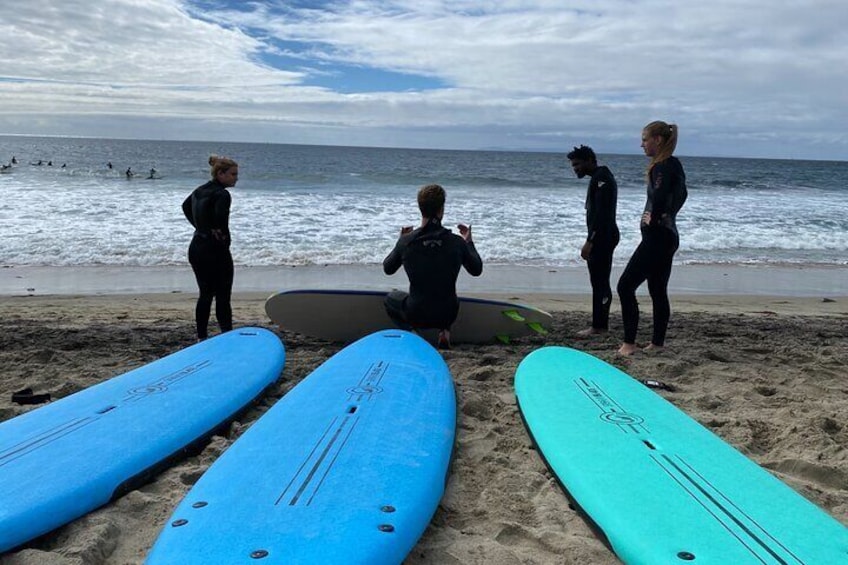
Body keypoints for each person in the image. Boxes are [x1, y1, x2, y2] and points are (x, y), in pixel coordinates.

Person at [616, 121, 688, 355]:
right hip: (669, 235)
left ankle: (629, 344)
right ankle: (657, 343)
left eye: (645, 139)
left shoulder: (663, 165)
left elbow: (660, 193)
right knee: (657, 290)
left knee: (625, 286)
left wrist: (654, 215)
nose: (642, 144)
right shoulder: (674, 165)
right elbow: (682, 195)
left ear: (657, 140)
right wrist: (667, 214)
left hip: (657, 237)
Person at [383, 183, 483, 349]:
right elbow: (476, 270)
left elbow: (388, 268)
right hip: (448, 314)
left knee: (390, 298)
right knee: (448, 294)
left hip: (415, 313)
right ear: (441, 209)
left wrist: (400, 241)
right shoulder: (457, 242)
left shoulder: (407, 242)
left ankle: (413, 334)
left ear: (420, 208)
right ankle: (444, 332)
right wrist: (469, 242)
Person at [182, 155, 239, 340]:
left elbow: (185, 206)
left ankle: (201, 337)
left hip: (197, 247)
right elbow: (222, 221)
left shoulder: (199, 190)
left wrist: (200, 227)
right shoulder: (223, 194)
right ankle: (226, 335)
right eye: (233, 174)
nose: (236, 178)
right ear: (220, 174)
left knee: (205, 294)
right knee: (223, 295)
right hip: (215, 250)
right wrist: (222, 239)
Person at [567, 145, 619, 335]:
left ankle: (599, 326)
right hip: (603, 236)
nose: (576, 169)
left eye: (578, 164)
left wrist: (590, 241)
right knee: (598, 281)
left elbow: (602, 215)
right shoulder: (599, 178)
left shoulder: (602, 179)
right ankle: (599, 324)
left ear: (590, 160)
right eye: (573, 166)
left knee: (600, 282)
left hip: (603, 237)